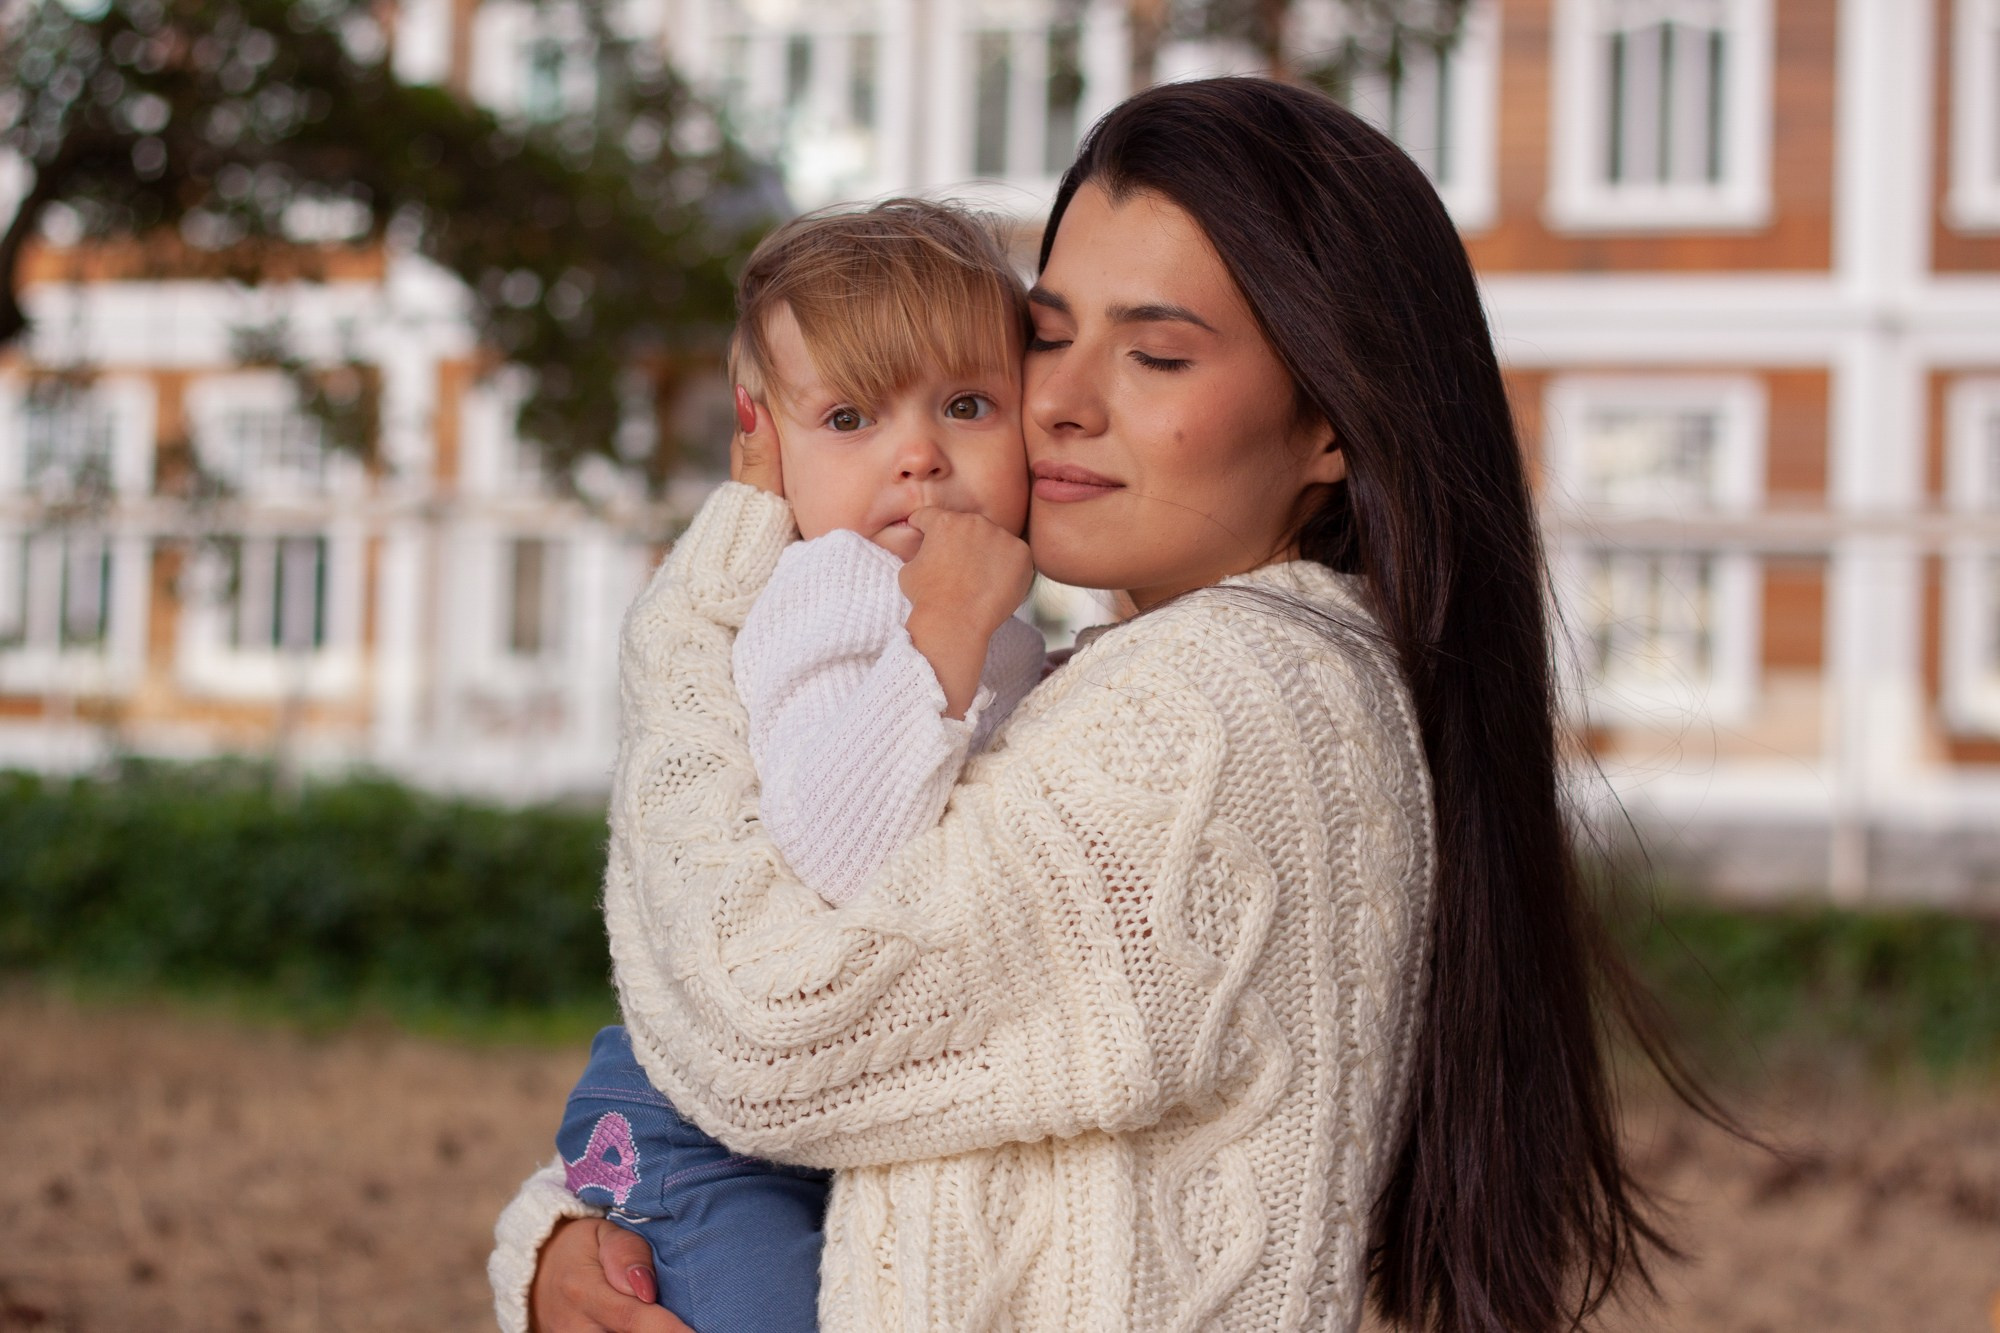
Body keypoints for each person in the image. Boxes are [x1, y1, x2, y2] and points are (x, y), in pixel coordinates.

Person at [501, 76, 1683, 1333]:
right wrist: (577, 1235)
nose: (1059, 399)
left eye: (1157, 354)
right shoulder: (1116, 674)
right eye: (1047, 335)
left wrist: (689, 618)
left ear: (1331, 423)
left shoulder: (1228, 704)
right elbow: (874, 1106)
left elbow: (762, 1029)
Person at [550, 199, 1049, 1333]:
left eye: (966, 406)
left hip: (812, 1114)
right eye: (849, 416)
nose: (918, 454)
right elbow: (835, 846)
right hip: (698, 1130)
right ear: (766, 447)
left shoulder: (972, 613)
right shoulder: (834, 588)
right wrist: (947, 629)